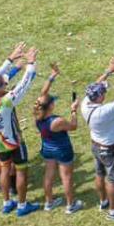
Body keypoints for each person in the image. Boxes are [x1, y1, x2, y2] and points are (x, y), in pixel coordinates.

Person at [0, 44, 40, 217]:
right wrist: (31, 62)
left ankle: (6, 202)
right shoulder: (6, 101)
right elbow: (25, 83)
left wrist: (10, 59)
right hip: (13, 141)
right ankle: (22, 205)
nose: (6, 86)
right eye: (3, 86)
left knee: (5, 168)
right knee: (21, 170)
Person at [81, 57, 114, 220]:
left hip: (95, 146)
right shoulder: (105, 110)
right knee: (113, 180)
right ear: (99, 97)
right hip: (109, 149)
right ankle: (113, 211)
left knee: (99, 174)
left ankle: (103, 201)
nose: (105, 94)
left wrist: (108, 72)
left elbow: (96, 84)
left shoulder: (85, 103)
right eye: (103, 93)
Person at [33, 68, 83, 214]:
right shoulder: (57, 121)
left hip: (47, 149)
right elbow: (73, 126)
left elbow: (42, 94)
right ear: (51, 106)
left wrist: (52, 77)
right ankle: (70, 205)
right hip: (62, 150)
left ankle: (49, 202)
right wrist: (74, 110)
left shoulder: (37, 115)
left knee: (48, 175)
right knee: (66, 177)